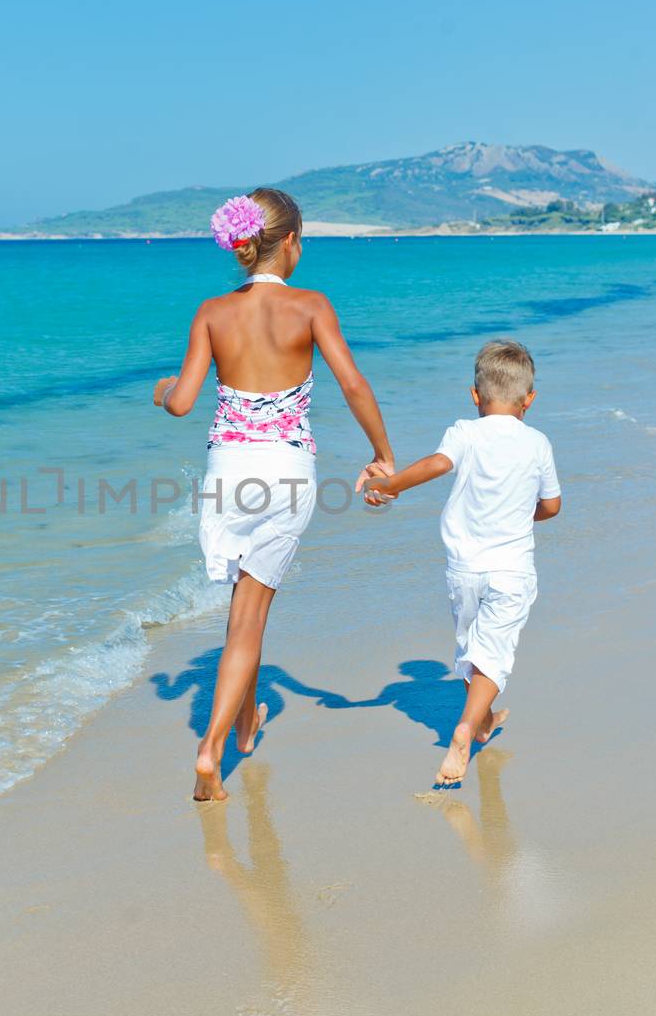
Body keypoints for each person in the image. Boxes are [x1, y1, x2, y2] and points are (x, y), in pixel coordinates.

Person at [154, 188, 394, 801]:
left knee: (243, 608)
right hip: (284, 472)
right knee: (250, 619)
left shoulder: (211, 311)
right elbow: (354, 384)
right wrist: (382, 454)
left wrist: (160, 391)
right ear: (289, 242)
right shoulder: (310, 306)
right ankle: (210, 752)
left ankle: (244, 723)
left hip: (226, 474)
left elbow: (182, 402)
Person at [361, 339, 561, 787]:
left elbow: (436, 463)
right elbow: (552, 506)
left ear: (475, 395)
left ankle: (485, 720)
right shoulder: (537, 443)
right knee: (493, 654)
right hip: (511, 568)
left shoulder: (464, 432)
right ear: (530, 399)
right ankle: (466, 731)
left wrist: (391, 485)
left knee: (472, 648)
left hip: (464, 568)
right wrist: (522, 512)